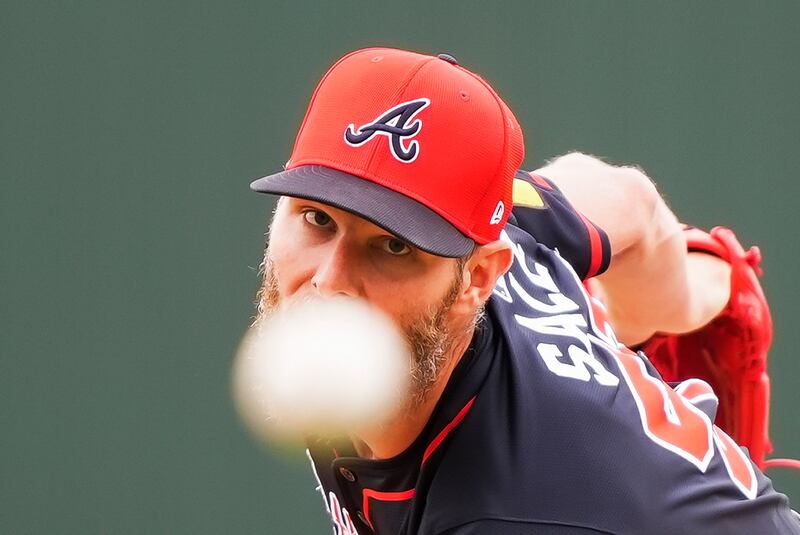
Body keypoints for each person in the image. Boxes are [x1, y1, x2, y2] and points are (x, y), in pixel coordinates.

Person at [249, 47, 800, 534]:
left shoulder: (511, 511)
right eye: (316, 217)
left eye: (393, 248)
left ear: (481, 277)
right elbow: (628, 199)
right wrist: (696, 300)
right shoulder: (473, 230)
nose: (329, 280)